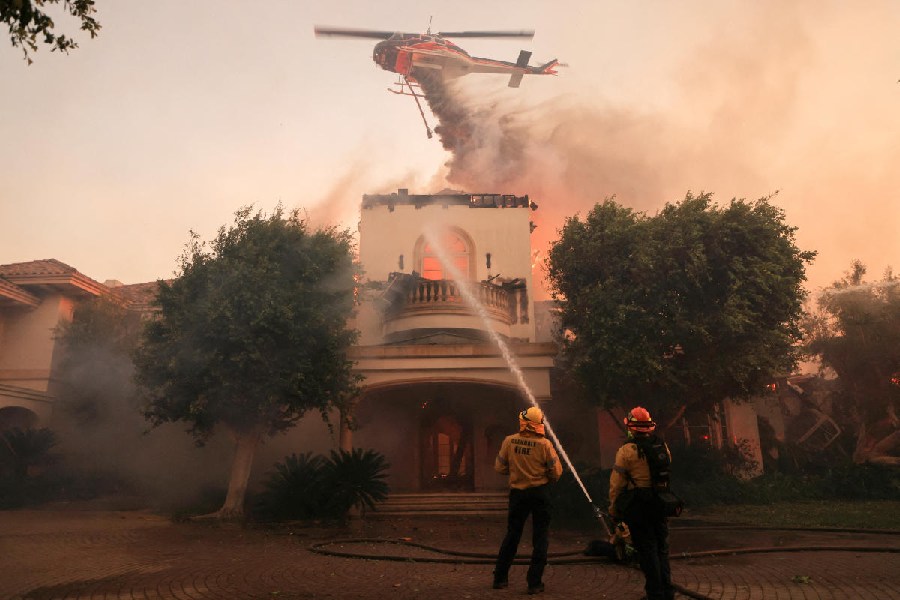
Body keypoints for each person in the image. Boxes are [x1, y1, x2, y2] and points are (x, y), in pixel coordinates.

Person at [493, 406, 563, 594]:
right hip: (540, 494)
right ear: (538, 424)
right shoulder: (545, 445)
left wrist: (516, 471)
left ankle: (500, 578)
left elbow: (499, 468)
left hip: (518, 494)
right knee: (540, 538)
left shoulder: (509, 441)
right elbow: (556, 473)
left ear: (523, 422)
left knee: (512, 535)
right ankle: (534, 583)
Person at [608, 406, 676, 600]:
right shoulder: (662, 446)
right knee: (662, 549)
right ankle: (667, 591)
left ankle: (654, 594)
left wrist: (613, 509)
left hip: (640, 505)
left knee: (647, 551)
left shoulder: (627, 451)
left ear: (631, 427)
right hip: (661, 503)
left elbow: (616, 484)